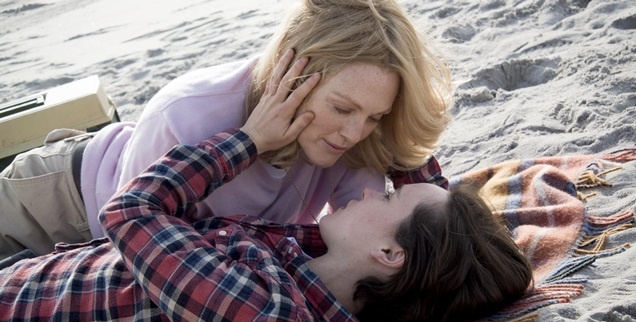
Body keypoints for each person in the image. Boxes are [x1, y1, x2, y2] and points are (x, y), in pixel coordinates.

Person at [0, 57, 531, 322]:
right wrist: (384, 102)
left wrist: (251, 139)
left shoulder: (259, 314)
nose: (375, 191)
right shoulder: (337, 283)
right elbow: (427, 191)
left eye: (389, 198)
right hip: (37, 275)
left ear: (390, 253)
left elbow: (130, 210)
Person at [0, 0, 453, 260]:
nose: (354, 132)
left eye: (375, 116)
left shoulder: (356, 133)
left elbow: (376, 236)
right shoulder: (187, 113)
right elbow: (131, 242)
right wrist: (250, 143)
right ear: (292, 73)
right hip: (60, 198)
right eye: (342, 108)